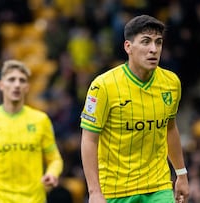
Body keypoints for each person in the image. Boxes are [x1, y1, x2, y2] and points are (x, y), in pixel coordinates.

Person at [80, 14, 189, 203]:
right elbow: (89, 139)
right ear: (128, 47)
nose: (153, 49)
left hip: (158, 187)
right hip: (115, 190)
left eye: (158, 42)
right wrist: (94, 191)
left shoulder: (171, 83)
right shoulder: (103, 86)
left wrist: (181, 173)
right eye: (146, 42)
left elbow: (169, 128)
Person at [0, 60, 64, 203]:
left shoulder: (40, 120)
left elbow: (54, 159)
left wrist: (52, 174)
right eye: (11, 80)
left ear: (27, 87)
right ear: (1, 85)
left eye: (22, 81)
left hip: (33, 199)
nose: (17, 84)